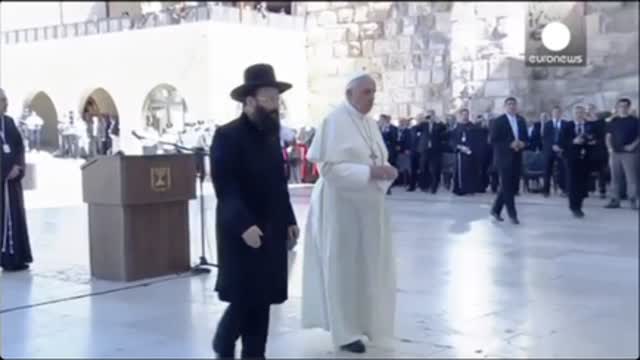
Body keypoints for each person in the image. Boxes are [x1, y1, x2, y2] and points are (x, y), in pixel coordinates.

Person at [301, 72, 398, 354]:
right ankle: (344, 333)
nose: (372, 97)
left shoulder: (369, 124)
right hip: (339, 207)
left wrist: (384, 171)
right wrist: (371, 172)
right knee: (343, 267)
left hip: (369, 208)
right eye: (366, 92)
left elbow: (378, 159)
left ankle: (365, 323)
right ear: (349, 94)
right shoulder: (334, 121)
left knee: (367, 266)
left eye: (374, 91)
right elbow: (327, 169)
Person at [210, 64, 299, 359]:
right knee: (246, 296)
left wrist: (289, 220)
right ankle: (224, 341)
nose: (275, 106)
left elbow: (279, 184)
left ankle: (254, 354)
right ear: (249, 101)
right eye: (268, 99)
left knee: (262, 299)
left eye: (277, 99)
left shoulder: (271, 137)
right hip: (242, 231)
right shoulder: (227, 136)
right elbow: (226, 188)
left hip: (271, 228)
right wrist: (243, 225)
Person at [0, 88, 33, 271]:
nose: (6, 103)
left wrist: (18, 167)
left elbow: (19, 148)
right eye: (2, 100)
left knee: (15, 217)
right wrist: (4, 170)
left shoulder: (9, 122)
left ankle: (17, 258)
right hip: (2, 181)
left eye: (5, 99)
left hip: (12, 183)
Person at [490, 97, 528, 224]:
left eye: (514, 104)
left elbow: (526, 137)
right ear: (505, 107)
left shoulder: (521, 120)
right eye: (509, 104)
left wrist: (523, 143)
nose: (512, 106)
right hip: (503, 158)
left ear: (517, 106)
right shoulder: (498, 121)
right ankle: (513, 214)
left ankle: (495, 209)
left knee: (510, 186)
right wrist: (509, 144)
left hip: (517, 157)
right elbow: (493, 140)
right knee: (507, 186)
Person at [605, 98, 639, 210]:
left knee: (631, 178)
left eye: (625, 106)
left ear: (629, 107)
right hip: (615, 154)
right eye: (620, 106)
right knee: (615, 178)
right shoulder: (613, 121)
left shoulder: (635, 120)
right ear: (618, 107)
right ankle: (615, 200)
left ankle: (633, 200)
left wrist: (633, 145)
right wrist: (609, 148)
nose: (622, 108)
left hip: (630, 154)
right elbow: (608, 136)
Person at [558, 105, 590, 218]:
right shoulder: (567, 126)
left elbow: (594, 137)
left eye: (581, 112)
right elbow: (561, 142)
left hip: (585, 158)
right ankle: (574, 207)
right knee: (572, 182)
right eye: (577, 113)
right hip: (571, 158)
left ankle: (579, 205)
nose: (579, 115)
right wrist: (573, 141)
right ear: (573, 114)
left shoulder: (588, 125)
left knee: (582, 183)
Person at [541, 106, 567, 197]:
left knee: (563, 170)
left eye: (558, 112)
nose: (556, 114)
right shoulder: (547, 124)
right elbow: (545, 138)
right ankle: (546, 191)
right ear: (552, 113)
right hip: (549, 151)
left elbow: (567, 137)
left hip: (561, 150)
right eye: (554, 112)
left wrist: (561, 147)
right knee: (547, 170)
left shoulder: (565, 124)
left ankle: (564, 189)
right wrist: (552, 146)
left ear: (561, 113)